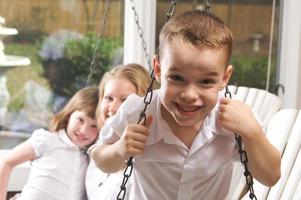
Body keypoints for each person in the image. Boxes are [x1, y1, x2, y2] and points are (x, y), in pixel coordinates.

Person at [91, 10, 281, 199]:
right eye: (177, 78)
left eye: (206, 82)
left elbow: (271, 177)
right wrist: (119, 149)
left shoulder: (237, 119)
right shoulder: (138, 112)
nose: (189, 95)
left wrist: (253, 133)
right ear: (158, 70)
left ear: (224, 78)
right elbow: (100, 158)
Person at [0, 86, 99, 200]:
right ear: (68, 116)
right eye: (80, 120)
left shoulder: (89, 158)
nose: (83, 130)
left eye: (94, 126)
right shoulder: (48, 140)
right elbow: (6, 162)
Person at [85, 63, 154, 200]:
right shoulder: (98, 144)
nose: (114, 107)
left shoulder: (149, 157)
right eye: (109, 98)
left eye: (125, 100)